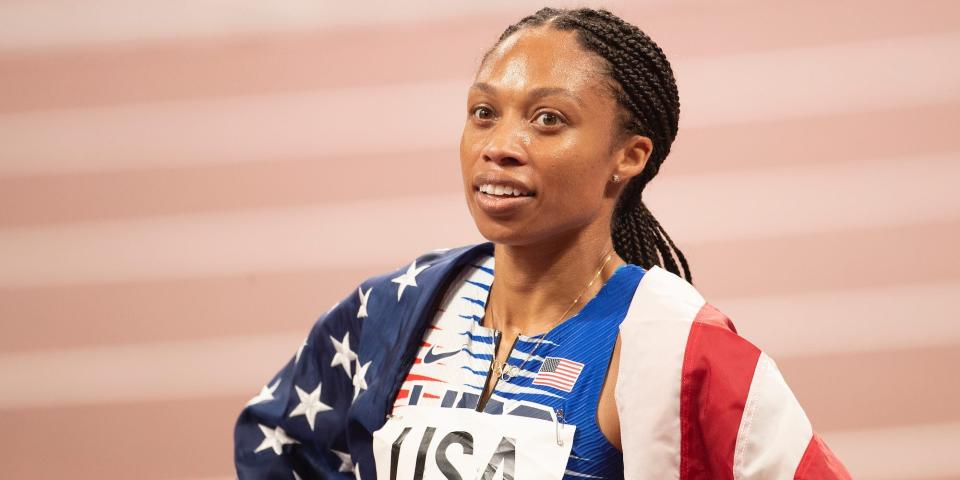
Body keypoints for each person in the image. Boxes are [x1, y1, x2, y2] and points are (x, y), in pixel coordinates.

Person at [234, 7, 851, 479]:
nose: (498, 145)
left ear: (628, 156)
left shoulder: (680, 350)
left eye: (547, 119)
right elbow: (280, 446)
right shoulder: (395, 310)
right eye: (483, 112)